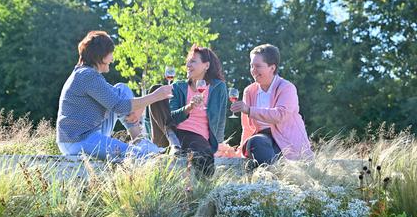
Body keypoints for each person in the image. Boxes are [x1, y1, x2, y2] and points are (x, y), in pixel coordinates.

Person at [56, 31, 172, 160]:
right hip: (77, 141)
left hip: (90, 133)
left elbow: (119, 100)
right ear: (101, 55)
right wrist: (155, 96)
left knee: (122, 89)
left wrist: (133, 109)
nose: (112, 58)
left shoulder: (87, 74)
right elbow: (119, 106)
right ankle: (143, 147)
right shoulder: (87, 76)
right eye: (111, 53)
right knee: (139, 155)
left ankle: (140, 141)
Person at [149, 45, 227, 177]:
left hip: (196, 136)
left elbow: (221, 119)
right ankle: (174, 144)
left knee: (205, 161)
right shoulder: (178, 87)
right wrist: (189, 107)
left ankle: (177, 147)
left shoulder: (218, 87)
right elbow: (170, 118)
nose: (188, 65)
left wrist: (218, 145)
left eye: (193, 61)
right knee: (156, 90)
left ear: (206, 65)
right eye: (188, 61)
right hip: (172, 132)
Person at [230, 44, 313, 167]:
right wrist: (242, 153)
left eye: (258, 66)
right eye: (251, 66)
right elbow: (247, 127)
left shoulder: (286, 88)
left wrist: (249, 110)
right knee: (255, 141)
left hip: (286, 141)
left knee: (255, 163)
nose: (253, 70)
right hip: (263, 139)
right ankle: (272, 178)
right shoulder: (249, 91)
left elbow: (280, 115)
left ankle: (272, 179)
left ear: (272, 68)